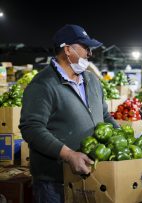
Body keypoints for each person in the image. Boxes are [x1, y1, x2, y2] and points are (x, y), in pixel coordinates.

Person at [19, 24, 119, 203]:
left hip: (91, 176)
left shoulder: (92, 80)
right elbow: (31, 128)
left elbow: (105, 117)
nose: (90, 53)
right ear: (67, 50)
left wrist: (122, 138)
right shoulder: (43, 84)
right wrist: (69, 155)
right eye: (86, 48)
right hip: (55, 182)